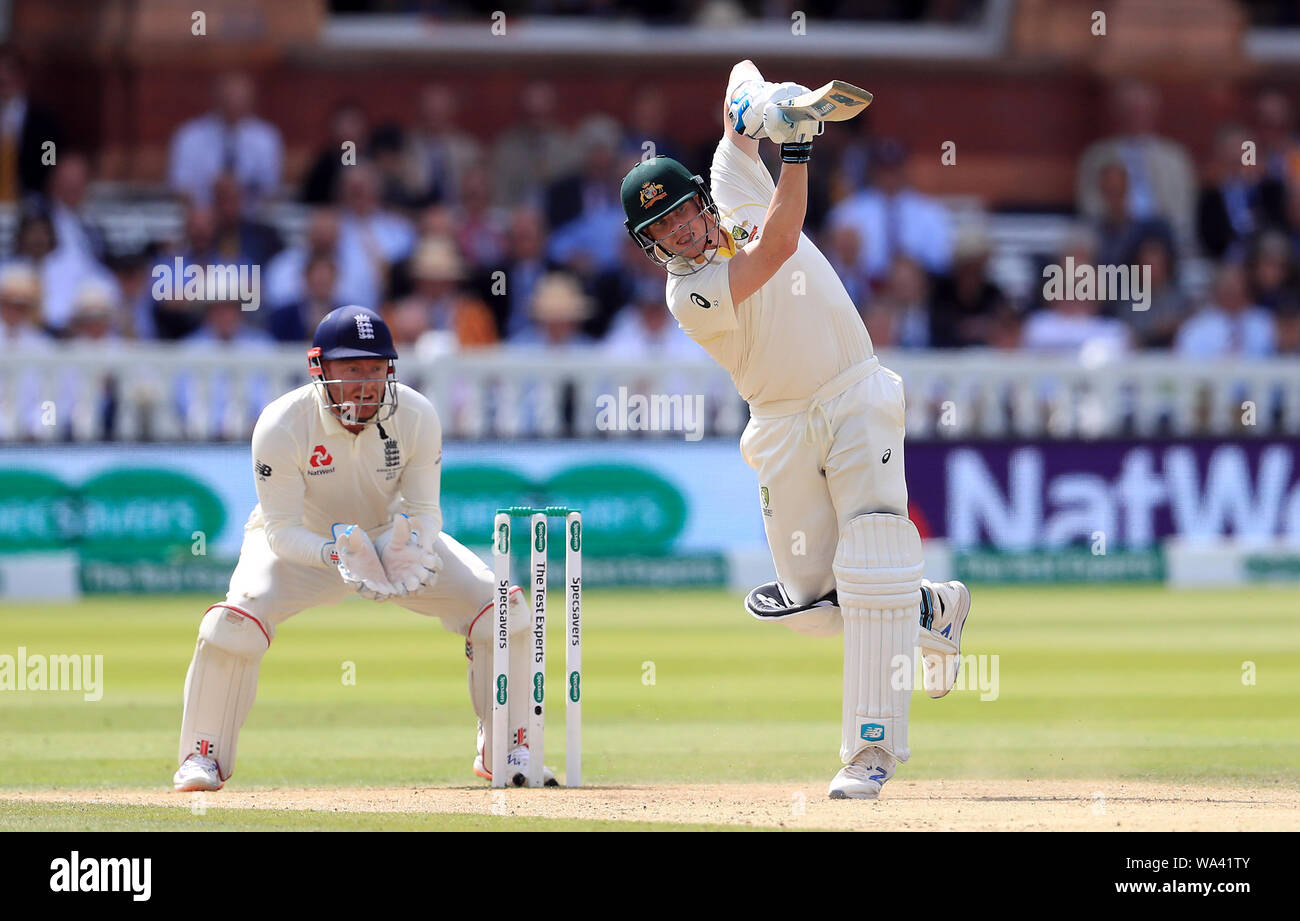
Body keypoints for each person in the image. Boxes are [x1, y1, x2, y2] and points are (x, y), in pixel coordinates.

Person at [618, 60, 971, 800]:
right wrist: (801, 146)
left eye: (680, 211)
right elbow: (776, 248)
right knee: (812, 602)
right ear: (652, 246)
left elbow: (736, 83)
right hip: (780, 424)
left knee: (874, 558)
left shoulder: (732, 181)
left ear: (696, 198)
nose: (681, 231)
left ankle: (870, 752)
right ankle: (933, 607)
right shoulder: (689, 295)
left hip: (853, 395)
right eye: (662, 231)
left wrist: (770, 105)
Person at [173, 306, 550, 792]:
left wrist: (411, 544)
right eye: (350, 368)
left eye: (375, 368)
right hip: (302, 548)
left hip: (388, 540)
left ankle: (509, 750)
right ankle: (202, 757)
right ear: (320, 369)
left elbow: (425, 509)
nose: (365, 382)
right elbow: (280, 531)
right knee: (231, 624)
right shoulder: (281, 424)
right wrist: (338, 554)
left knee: (506, 611)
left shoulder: (415, 414)